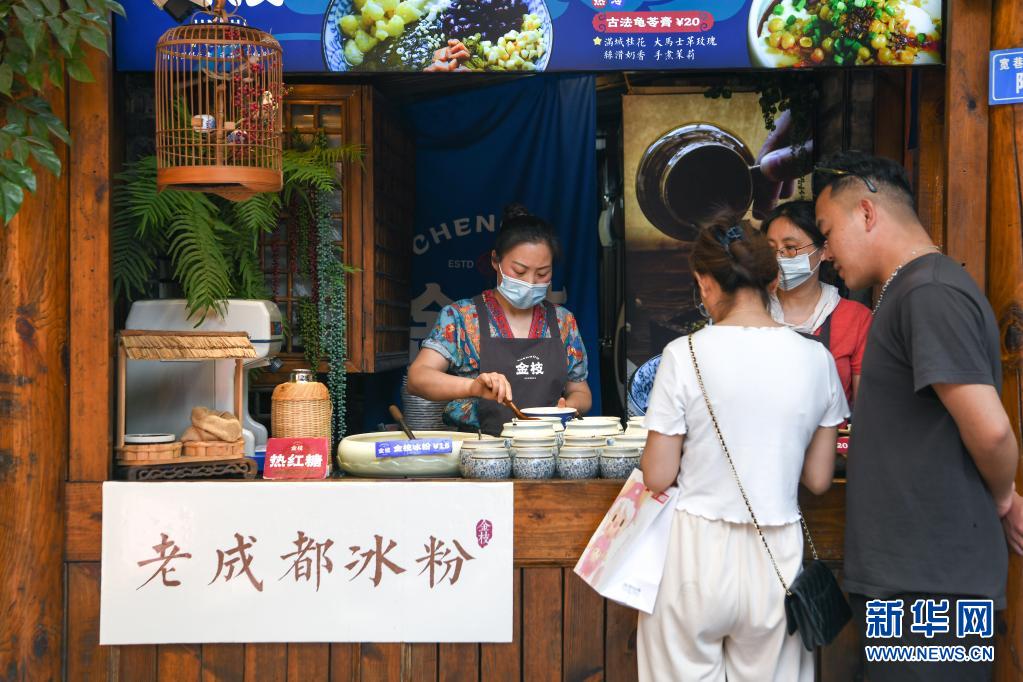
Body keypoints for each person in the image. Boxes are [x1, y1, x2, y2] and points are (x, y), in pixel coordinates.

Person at [813, 151, 1022, 681]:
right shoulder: (909, 289)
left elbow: (993, 430)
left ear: (866, 212)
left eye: (827, 232)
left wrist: (1003, 496)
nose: (825, 253)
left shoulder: (929, 291)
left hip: (932, 593)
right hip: (912, 586)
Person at [638, 223, 848, 681]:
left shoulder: (683, 354)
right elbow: (817, 479)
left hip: (695, 555)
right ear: (773, 281)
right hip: (777, 557)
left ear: (705, 283)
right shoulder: (817, 359)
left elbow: (657, 475)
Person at [407, 204, 591, 436]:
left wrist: (569, 407)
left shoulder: (563, 322)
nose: (530, 282)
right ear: (495, 261)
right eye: (519, 271)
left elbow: (581, 391)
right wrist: (473, 387)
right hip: (479, 447)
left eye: (542, 273)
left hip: (547, 445)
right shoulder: (461, 317)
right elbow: (418, 377)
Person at [763, 199, 872, 406]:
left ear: (823, 251)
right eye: (771, 248)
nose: (779, 257)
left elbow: (865, 410)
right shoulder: (752, 311)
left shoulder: (856, 319)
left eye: (791, 248)